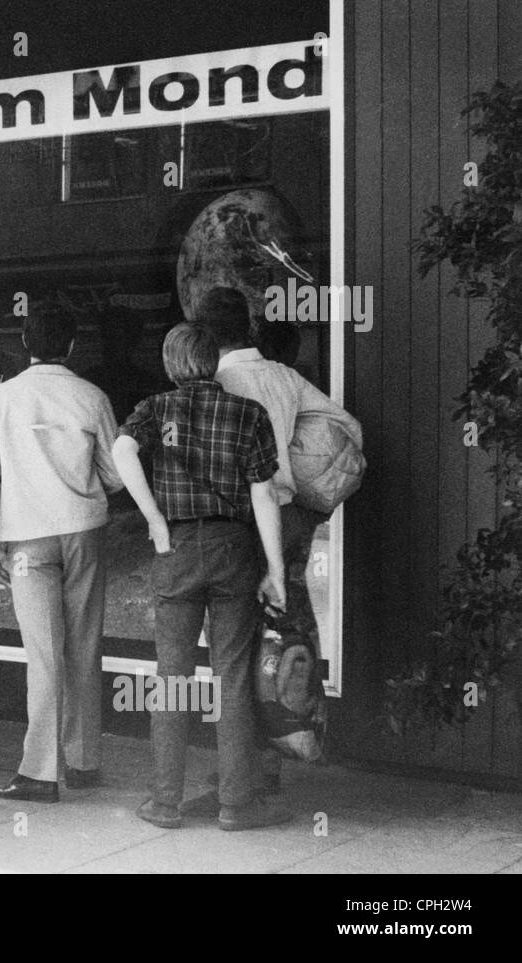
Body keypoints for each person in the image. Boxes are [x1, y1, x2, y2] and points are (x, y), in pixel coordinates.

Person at [112, 322, 289, 831]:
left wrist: (152, 518)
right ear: (212, 362)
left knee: (172, 678)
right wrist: (274, 570)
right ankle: (236, 805)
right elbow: (264, 495)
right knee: (232, 678)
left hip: (178, 548)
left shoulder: (156, 409)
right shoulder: (246, 413)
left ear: (171, 365)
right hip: (234, 549)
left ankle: (166, 802)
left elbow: (122, 450)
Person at [195, 286, 361, 807]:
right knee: (279, 637)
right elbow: (346, 428)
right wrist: (306, 486)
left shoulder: (210, 385)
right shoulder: (284, 377)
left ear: (203, 333)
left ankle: (240, 779)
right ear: (246, 325)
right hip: (289, 518)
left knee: (234, 652)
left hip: (236, 528)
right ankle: (272, 760)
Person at [0, 304, 122, 804]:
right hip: (85, 532)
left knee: (44, 655)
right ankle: (83, 760)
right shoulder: (92, 396)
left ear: (26, 345)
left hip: (28, 538)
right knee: (84, 646)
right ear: (72, 346)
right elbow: (116, 474)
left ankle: (39, 772)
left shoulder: (0, 399)